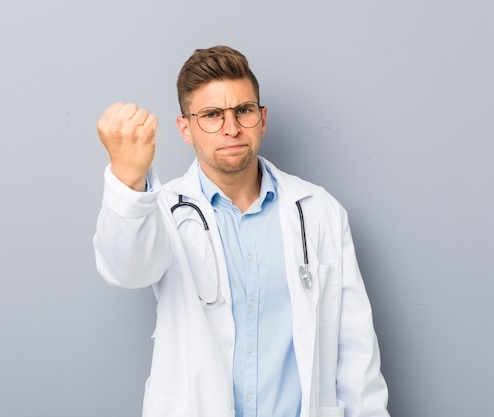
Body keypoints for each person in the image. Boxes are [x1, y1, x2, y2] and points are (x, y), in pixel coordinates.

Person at [93, 45, 390, 417]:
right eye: (212, 115)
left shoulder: (319, 211)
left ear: (262, 119)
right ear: (185, 129)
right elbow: (127, 269)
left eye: (243, 111)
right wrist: (128, 178)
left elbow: (356, 350)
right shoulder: (164, 210)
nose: (231, 128)